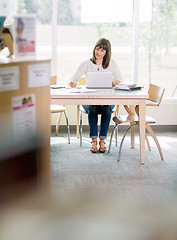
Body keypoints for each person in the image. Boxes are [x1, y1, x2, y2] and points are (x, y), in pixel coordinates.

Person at [69, 38, 123, 153]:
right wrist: (72, 83)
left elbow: (121, 81)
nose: (98, 52)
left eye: (102, 50)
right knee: (92, 107)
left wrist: (113, 82)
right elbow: (72, 79)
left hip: (106, 100)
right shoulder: (86, 63)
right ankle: (94, 140)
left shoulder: (111, 63)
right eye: (97, 48)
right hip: (90, 100)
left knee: (106, 108)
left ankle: (102, 140)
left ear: (106, 53)